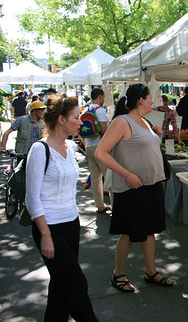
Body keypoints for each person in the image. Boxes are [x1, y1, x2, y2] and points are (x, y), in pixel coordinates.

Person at [25, 96, 98, 321]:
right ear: (61, 120)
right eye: (76, 118)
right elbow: (32, 198)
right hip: (50, 228)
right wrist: (45, 235)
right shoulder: (40, 150)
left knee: (60, 286)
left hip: (71, 224)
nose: (81, 122)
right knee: (75, 284)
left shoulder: (72, 145)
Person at [95, 83, 174, 292]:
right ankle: (118, 273)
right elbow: (101, 152)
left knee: (149, 231)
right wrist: (127, 174)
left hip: (151, 184)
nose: (153, 101)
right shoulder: (122, 121)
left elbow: (144, 147)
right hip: (132, 188)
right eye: (150, 98)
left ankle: (151, 271)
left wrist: (157, 135)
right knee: (130, 233)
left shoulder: (145, 121)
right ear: (141, 100)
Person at [83, 88, 111, 213]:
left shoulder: (86, 110)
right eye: (103, 97)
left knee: (95, 178)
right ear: (100, 96)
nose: (104, 99)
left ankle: (100, 205)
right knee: (109, 176)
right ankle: (115, 205)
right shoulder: (100, 111)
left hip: (89, 146)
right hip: (100, 147)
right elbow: (104, 131)